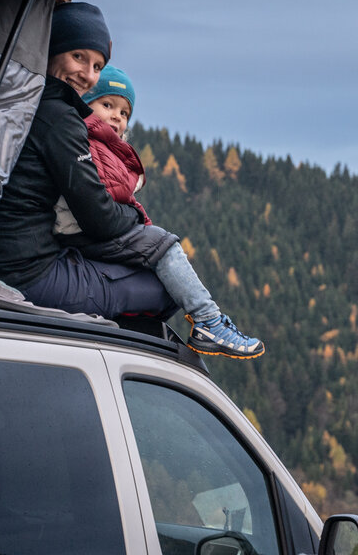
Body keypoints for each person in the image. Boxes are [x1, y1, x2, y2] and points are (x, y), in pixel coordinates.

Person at [0, 0, 263, 359]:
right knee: (162, 289)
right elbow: (96, 215)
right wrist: (137, 221)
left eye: (97, 64)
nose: (88, 74)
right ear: (54, 49)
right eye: (78, 57)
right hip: (27, 273)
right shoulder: (58, 116)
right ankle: (130, 351)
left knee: (146, 265)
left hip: (8, 256)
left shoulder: (26, 100)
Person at [54, 64, 263, 359]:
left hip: (86, 229)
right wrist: (141, 212)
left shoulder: (102, 145)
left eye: (124, 113)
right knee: (166, 249)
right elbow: (109, 196)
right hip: (82, 231)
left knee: (158, 252)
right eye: (107, 104)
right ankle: (208, 320)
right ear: (86, 105)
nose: (116, 116)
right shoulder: (89, 140)